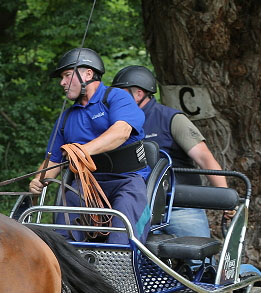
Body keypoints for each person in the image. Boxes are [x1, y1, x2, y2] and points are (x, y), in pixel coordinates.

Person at [29, 47, 150, 245]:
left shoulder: (116, 97)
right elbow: (53, 160)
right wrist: (38, 180)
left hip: (127, 180)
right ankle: (65, 270)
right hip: (87, 184)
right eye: (62, 77)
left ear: (88, 73)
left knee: (122, 233)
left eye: (67, 75)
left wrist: (83, 151)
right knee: (63, 231)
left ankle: (120, 269)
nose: (62, 82)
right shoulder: (67, 117)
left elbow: (121, 132)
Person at [110, 65, 227, 238]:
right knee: (127, 259)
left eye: (121, 94)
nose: (115, 99)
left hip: (179, 204)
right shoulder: (115, 124)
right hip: (135, 205)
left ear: (138, 94)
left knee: (197, 262)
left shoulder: (171, 119)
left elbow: (204, 157)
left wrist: (225, 198)